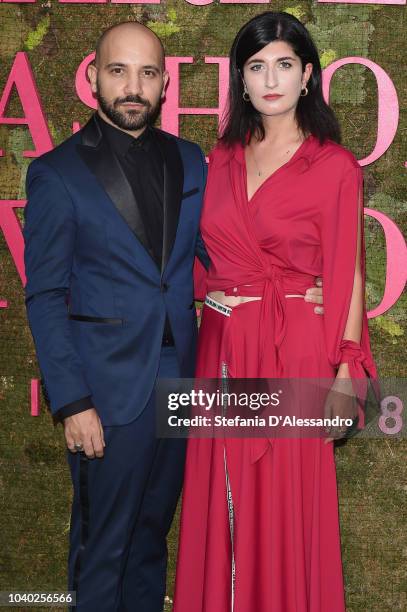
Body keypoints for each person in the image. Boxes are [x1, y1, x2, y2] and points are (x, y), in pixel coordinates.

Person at [23, 19, 324, 612]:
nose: (132, 86)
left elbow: (221, 253)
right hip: (105, 395)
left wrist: (300, 288)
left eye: (147, 73)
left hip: (185, 385)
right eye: (118, 71)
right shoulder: (57, 173)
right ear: (93, 80)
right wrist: (73, 402)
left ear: (164, 84)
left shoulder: (192, 162)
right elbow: (45, 296)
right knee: (102, 548)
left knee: (151, 544)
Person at [173, 11, 377, 612]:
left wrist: (345, 369)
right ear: (240, 79)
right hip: (223, 349)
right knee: (221, 502)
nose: (270, 79)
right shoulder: (221, 160)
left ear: (307, 74)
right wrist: (205, 289)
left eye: (284, 65)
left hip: (296, 352)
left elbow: (349, 270)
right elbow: (198, 249)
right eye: (257, 66)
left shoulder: (334, 166)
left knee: (288, 506)